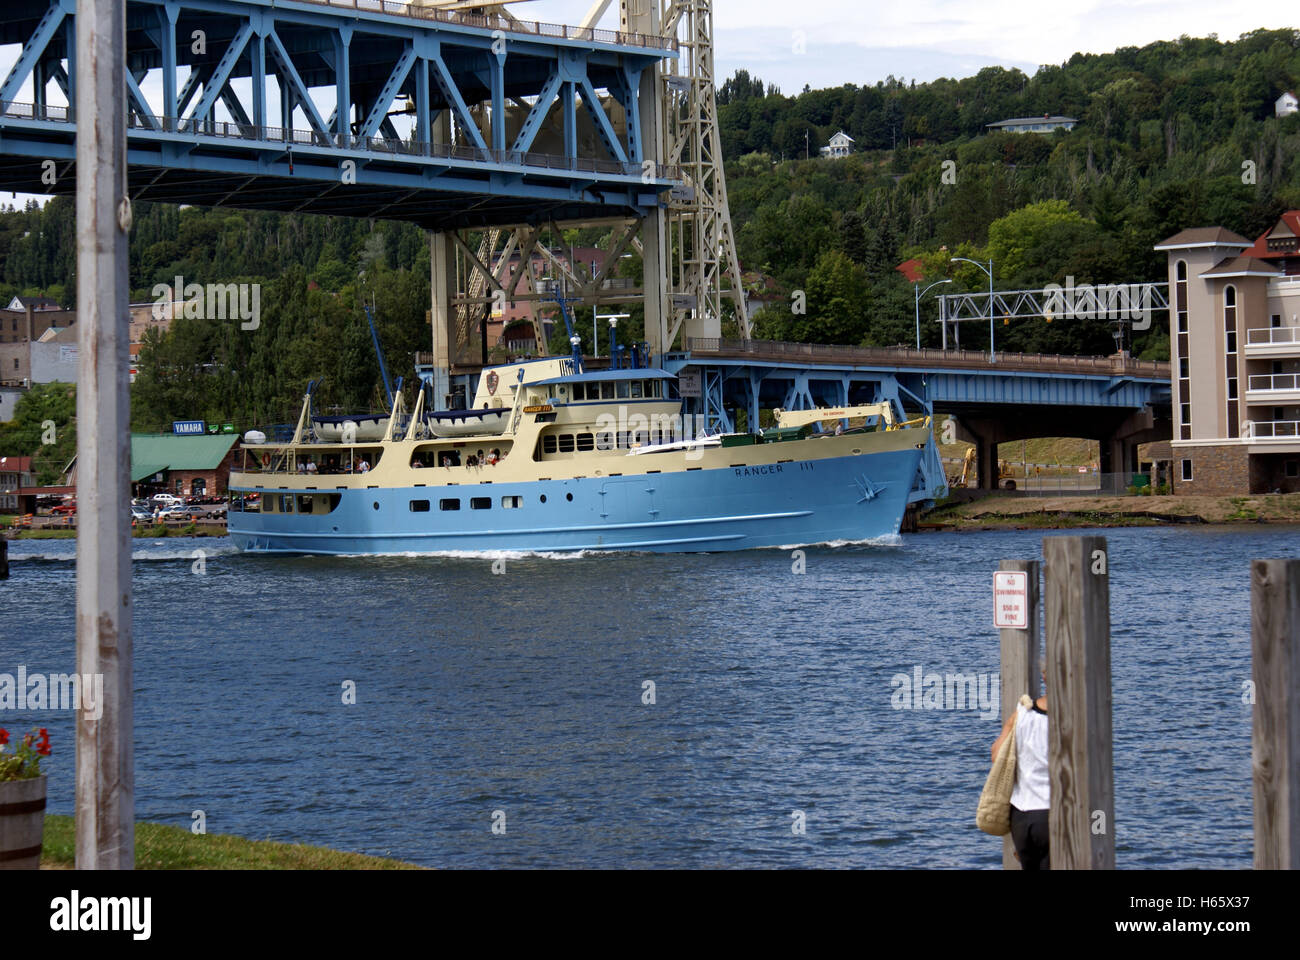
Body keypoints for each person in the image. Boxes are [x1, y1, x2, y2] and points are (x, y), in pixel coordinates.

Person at [992, 677, 1049, 870]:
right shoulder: (1073, 718)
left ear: (1043, 677)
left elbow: (997, 757)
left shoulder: (1021, 715)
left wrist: (1009, 726)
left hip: (1021, 816)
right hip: (1052, 811)